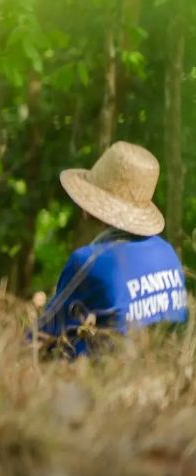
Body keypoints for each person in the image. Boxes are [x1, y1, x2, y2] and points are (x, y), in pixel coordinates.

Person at [35, 141, 187, 356]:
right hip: (164, 379)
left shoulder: (90, 261)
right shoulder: (168, 254)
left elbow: (40, 337)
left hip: (99, 382)